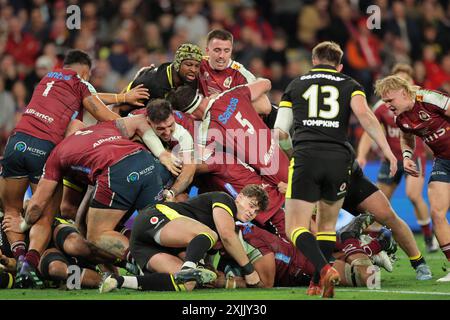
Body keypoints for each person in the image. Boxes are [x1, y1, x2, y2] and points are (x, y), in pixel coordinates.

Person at [277, 41, 397, 298]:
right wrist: (387, 150)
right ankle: (316, 283)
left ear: (314, 61)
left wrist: (290, 154)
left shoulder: (296, 84)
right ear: (339, 65)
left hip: (307, 156)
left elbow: (280, 132)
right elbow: (365, 116)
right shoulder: (350, 84)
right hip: (340, 160)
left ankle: (323, 269)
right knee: (326, 227)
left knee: (295, 227)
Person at [0, 49, 120, 280]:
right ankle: (29, 266)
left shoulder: (47, 77)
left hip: (16, 142)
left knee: (11, 210)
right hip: (43, 149)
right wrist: (132, 124)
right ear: (85, 72)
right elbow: (102, 113)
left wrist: (120, 98)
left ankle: (20, 257)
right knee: (45, 216)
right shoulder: (80, 83)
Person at [15, 117, 173, 288]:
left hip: (115, 173)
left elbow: (47, 206)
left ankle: (137, 265)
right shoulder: (101, 129)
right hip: (146, 161)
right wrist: (162, 153)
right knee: (155, 225)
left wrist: (22, 225)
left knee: (89, 239)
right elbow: (140, 122)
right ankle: (185, 264)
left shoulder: (58, 153)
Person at [375, 75, 450, 282]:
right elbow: (407, 137)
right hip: (443, 161)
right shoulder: (401, 118)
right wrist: (407, 157)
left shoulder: (428, 99)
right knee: (437, 213)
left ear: (404, 93)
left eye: (390, 101)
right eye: (385, 102)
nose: (388, 106)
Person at [357, 64, 438, 253]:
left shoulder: (420, 100)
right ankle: (374, 243)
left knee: (413, 195)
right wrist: (361, 155)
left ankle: (428, 238)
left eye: (407, 81)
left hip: (414, 156)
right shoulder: (383, 107)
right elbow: (369, 132)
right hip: (391, 159)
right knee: (379, 202)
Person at [124, 184, 268, 291]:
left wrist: (210, 272)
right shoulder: (225, 199)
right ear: (240, 197)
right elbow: (226, 235)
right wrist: (250, 271)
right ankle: (187, 270)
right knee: (210, 235)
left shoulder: (225, 226)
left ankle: (119, 281)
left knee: (188, 284)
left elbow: (195, 254)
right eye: (251, 205)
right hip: (156, 216)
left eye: (256, 212)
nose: (251, 212)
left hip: (144, 245)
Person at [167, 78, 289, 188]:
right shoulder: (231, 94)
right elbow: (266, 83)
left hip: (275, 181)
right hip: (286, 160)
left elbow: (196, 165)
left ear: (189, 114)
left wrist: (169, 156)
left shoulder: (208, 130)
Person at [198, 29, 272, 117]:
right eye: (217, 50)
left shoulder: (239, 73)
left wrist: (221, 98)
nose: (221, 56)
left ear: (231, 51)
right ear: (207, 50)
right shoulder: (197, 64)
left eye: (226, 51)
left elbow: (264, 107)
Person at [124, 43, 203, 110]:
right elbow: (120, 108)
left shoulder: (190, 78)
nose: (193, 69)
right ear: (177, 64)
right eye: (189, 65)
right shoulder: (151, 83)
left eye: (197, 66)